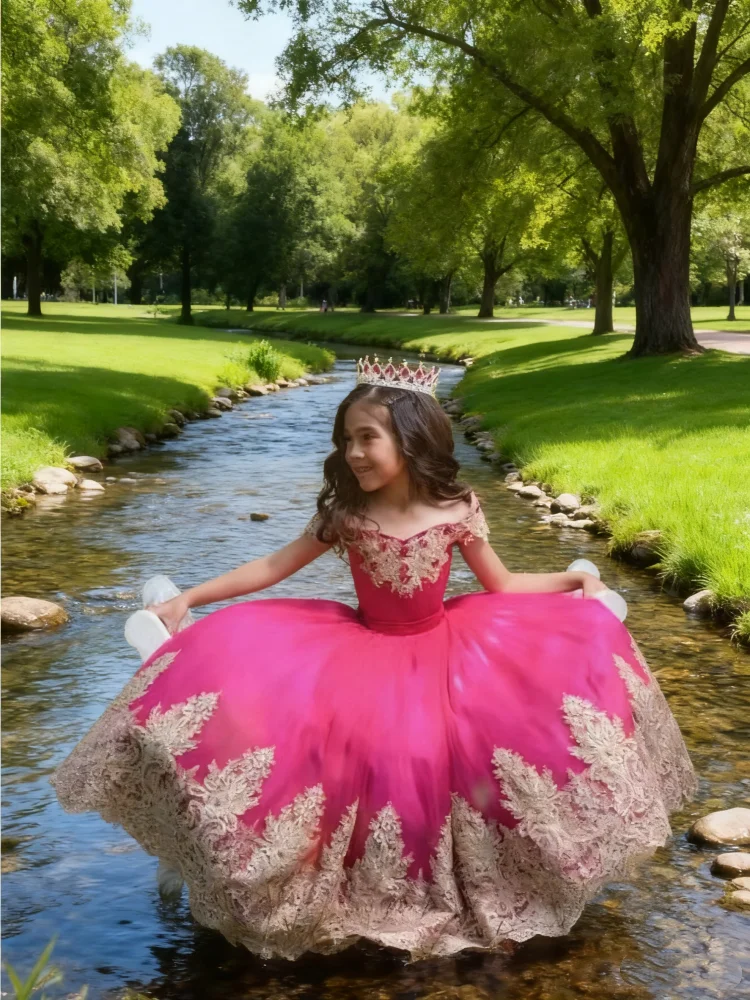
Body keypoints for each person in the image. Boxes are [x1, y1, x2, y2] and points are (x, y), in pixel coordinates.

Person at [52, 357, 696, 963]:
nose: (352, 453)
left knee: (467, 749)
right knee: (315, 739)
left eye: (367, 438)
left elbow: (502, 584)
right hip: (359, 648)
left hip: (446, 648)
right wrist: (193, 595)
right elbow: (274, 566)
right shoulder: (346, 512)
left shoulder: (456, 508)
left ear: (410, 440)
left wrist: (571, 582)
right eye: (345, 440)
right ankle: (323, 892)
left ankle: (490, 879)